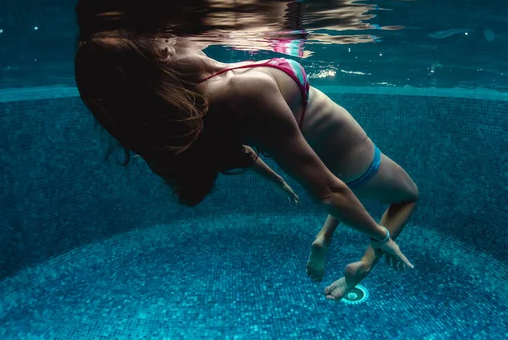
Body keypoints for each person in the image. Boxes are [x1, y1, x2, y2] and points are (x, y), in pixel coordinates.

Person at [75, 33, 419, 300]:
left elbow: (240, 152)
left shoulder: (196, 93)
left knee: (345, 189)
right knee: (407, 196)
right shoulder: (237, 91)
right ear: (162, 48)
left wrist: (277, 182)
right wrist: (382, 237)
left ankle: (323, 237)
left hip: (333, 163)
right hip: (353, 158)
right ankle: (362, 266)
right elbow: (328, 191)